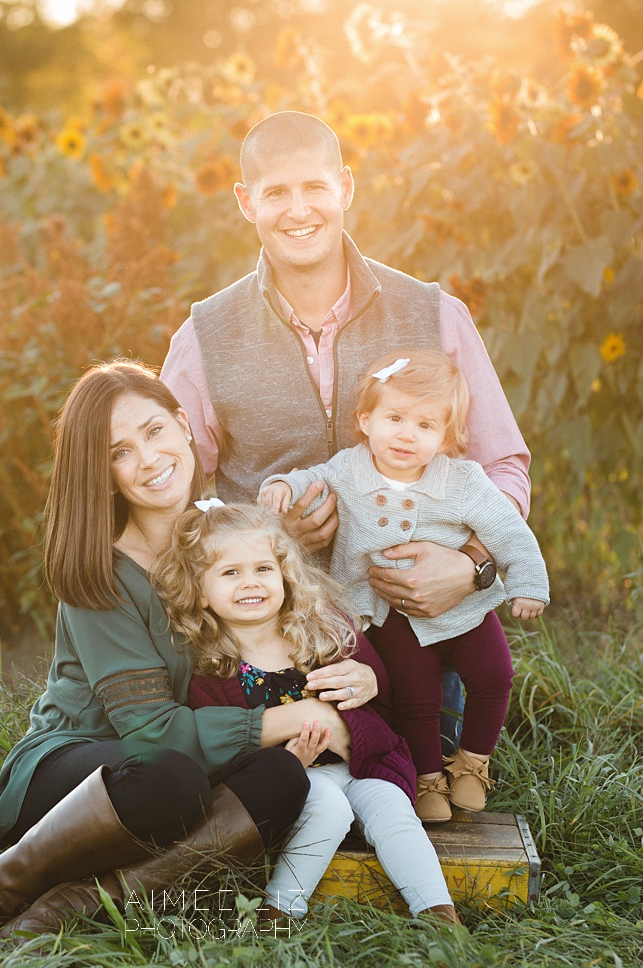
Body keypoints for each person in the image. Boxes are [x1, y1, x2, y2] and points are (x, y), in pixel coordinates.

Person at [0, 360, 382, 939]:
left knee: (282, 779)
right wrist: (295, 717)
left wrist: (360, 678)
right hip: (83, 777)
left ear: (183, 425)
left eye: (154, 431)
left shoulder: (229, 538)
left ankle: (70, 909)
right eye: (119, 452)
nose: (149, 459)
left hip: (188, 761)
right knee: (168, 777)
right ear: (104, 475)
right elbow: (150, 733)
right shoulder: (99, 575)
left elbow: (295, 628)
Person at [159, 109, 531, 726]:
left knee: (420, 791)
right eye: (276, 193)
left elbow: (503, 465)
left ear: (347, 188)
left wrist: (472, 565)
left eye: (315, 188)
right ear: (246, 202)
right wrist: (266, 537)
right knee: (299, 802)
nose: (298, 210)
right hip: (273, 650)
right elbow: (165, 498)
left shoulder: (434, 313)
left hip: (424, 633)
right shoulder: (204, 336)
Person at [259, 352, 549, 822]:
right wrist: (281, 486)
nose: (407, 434)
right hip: (392, 611)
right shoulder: (350, 468)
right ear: (366, 420)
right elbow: (310, 478)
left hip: (464, 606)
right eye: (394, 418)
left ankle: (474, 764)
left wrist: (529, 583)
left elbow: (506, 528)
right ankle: (428, 778)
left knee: (495, 673)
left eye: (425, 425)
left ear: (446, 437)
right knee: (416, 695)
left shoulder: (462, 480)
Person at [157, 501, 460, 923]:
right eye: (231, 573)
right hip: (300, 779)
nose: (251, 583)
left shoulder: (323, 631)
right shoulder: (211, 669)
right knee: (328, 809)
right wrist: (285, 763)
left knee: (394, 810)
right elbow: (223, 754)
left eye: (263, 569)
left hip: (359, 764)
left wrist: (366, 686)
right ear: (201, 592)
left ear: (284, 573)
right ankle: (280, 909)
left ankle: (436, 911)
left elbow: (379, 703)